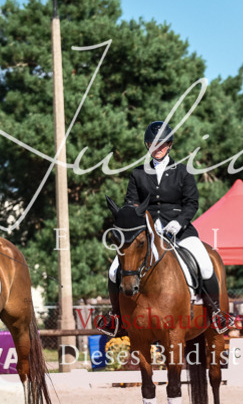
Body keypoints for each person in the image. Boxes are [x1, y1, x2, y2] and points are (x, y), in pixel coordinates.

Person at [96, 121, 228, 336]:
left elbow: (191, 203)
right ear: (148, 146)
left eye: (162, 144)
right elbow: (131, 203)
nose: (157, 148)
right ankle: (116, 317)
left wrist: (179, 222)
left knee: (205, 264)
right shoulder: (138, 174)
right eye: (153, 144)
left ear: (169, 145)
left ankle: (216, 314)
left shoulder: (183, 172)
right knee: (113, 270)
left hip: (180, 231)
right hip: (147, 232)